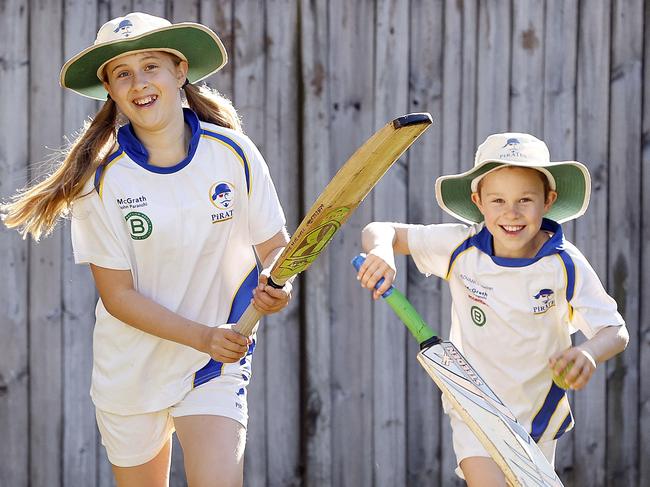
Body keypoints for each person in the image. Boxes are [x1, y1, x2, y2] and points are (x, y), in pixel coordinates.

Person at [1, 12, 292, 487]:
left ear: (180, 72)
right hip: (130, 374)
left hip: (213, 365)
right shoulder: (100, 180)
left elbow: (276, 250)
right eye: (123, 73)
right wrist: (201, 334)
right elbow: (118, 296)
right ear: (110, 92)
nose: (139, 82)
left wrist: (279, 286)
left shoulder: (234, 152)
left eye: (151, 65)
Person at [354, 132, 629, 486]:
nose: (510, 213)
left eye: (525, 200)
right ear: (478, 200)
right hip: (474, 404)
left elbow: (615, 330)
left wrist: (589, 353)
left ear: (548, 200)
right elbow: (379, 230)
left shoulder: (565, 264)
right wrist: (381, 251)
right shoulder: (461, 247)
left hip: (538, 417)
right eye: (497, 200)